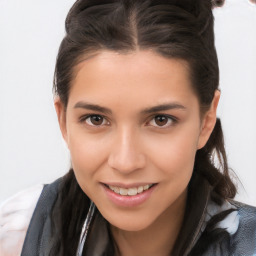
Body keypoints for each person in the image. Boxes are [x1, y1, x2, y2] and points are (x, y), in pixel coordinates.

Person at [0, 0, 256, 255]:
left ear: (206, 121)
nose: (125, 162)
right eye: (96, 119)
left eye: (160, 120)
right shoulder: (17, 236)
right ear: (63, 120)